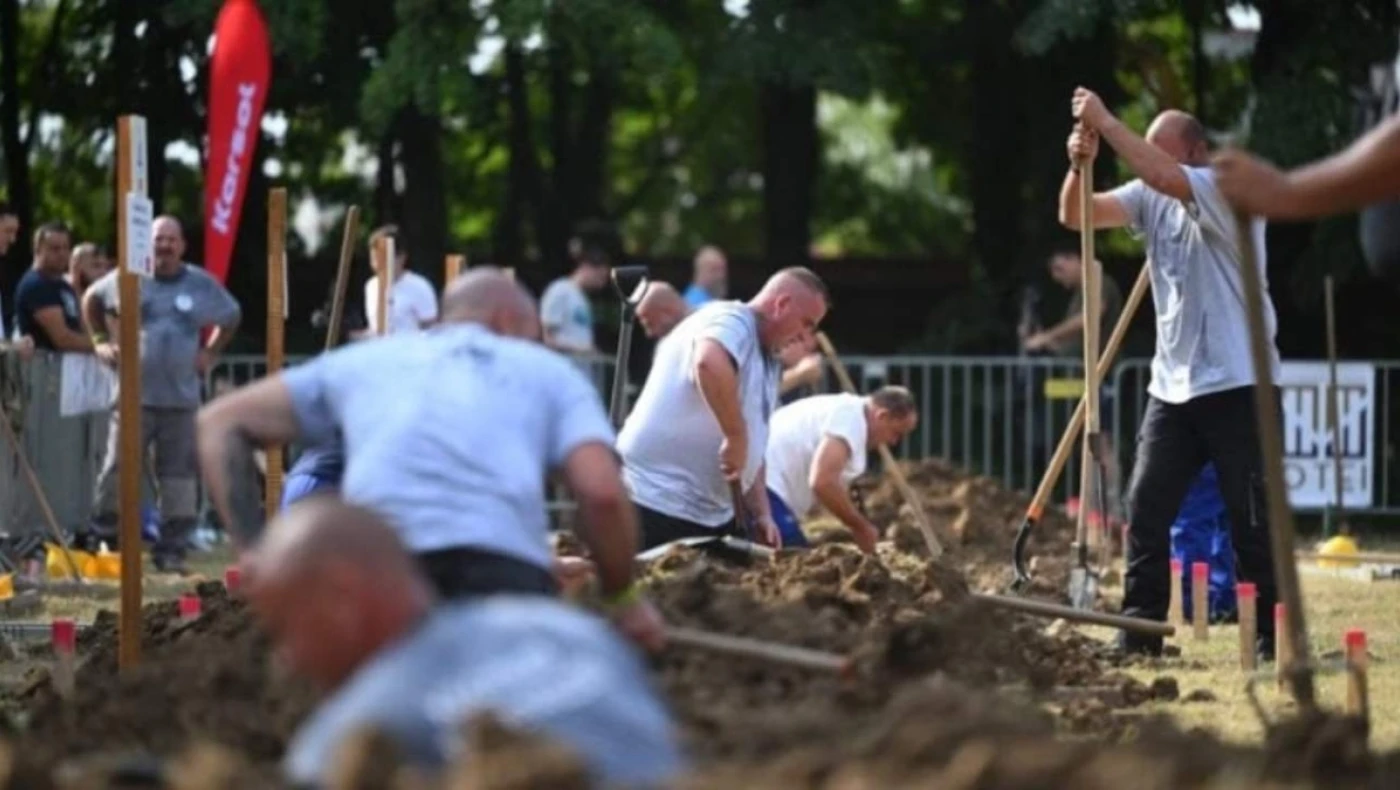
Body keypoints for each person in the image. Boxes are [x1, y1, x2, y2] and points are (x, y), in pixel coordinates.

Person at [196, 268, 664, 649]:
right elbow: (601, 492)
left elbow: (219, 423)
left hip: (378, 577)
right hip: (498, 584)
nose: (535, 346)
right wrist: (621, 596)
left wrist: (254, 551)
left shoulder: (366, 361)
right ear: (505, 321)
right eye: (533, 334)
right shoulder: (547, 373)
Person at [248, 498, 685, 789]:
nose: (289, 658)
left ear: (340, 597)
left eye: (285, 626)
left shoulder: (351, 736)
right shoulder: (567, 630)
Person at [1059, 88, 1278, 658]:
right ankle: (1140, 636)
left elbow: (1159, 175)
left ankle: (1273, 640)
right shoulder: (1153, 192)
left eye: (1161, 152)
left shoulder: (1223, 190)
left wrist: (1106, 123)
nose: (1146, 162)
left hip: (1239, 379)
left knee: (1250, 517)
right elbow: (1076, 215)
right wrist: (1078, 166)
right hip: (1172, 386)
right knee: (1146, 510)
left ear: (1197, 152)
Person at [618, 267, 830, 549]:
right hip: (652, 501)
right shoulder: (731, 320)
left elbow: (754, 444)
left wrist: (763, 513)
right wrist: (735, 436)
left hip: (708, 515)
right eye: (806, 323)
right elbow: (708, 361)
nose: (805, 337)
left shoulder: (766, 361)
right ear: (782, 305)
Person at [81, 216, 242, 572]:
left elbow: (232, 315)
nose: (164, 246)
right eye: (158, 239)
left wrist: (211, 352)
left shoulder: (199, 283)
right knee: (117, 469)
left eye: (171, 239)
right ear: (146, 243)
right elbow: (91, 299)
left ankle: (171, 550)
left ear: (182, 245)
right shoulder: (129, 278)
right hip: (132, 398)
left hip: (180, 401)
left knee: (179, 477)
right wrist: (99, 342)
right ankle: (106, 539)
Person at [1021, 248, 1124, 526]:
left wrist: (1046, 338)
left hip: (1100, 373)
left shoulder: (1098, 279)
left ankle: (1111, 509)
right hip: (1083, 374)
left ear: (1074, 258)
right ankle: (1093, 507)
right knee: (1086, 439)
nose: (1058, 279)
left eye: (1059, 269)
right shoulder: (1084, 288)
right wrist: (1050, 345)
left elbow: (1087, 319)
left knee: (1100, 440)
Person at [764, 386, 918, 552]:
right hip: (762, 488)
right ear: (882, 416)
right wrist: (860, 526)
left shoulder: (849, 412)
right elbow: (823, 482)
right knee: (791, 556)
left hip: (765, 484)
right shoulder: (850, 422)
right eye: (896, 433)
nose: (894, 442)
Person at [14, 222, 92, 353]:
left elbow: (83, 326)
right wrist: (102, 346)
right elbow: (63, 340)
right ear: (38, 249)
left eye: (66, 248)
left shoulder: (65, 286)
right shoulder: (36, 285)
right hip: (45, 369)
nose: (62, 254)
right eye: (55, 249)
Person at [360, 225, 439, 336]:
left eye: (383, 260)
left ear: (401, 257)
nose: (377, 265)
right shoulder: (371, 286)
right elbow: (375, 330)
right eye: (374, 259)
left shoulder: (419, 286)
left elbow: (431, 329)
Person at [540, 247, 609, 353]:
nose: (602, 284)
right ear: (586, 267)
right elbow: (548, 338)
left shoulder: (583, 298)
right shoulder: (560, 290)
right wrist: (582, 350)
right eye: (600, 277)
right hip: (563, 364)